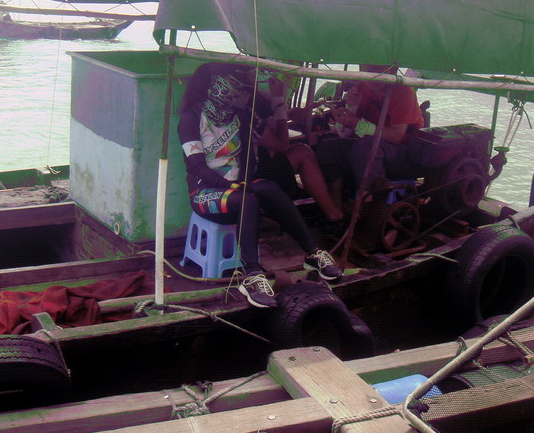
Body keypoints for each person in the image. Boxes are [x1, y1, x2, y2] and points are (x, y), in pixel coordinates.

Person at [177, 62, 342, 309]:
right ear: (215, 86)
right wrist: (229, 186)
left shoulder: (240, 117)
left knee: (268, 188)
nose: (236, 93)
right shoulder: (190, 119)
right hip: (204, 193)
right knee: (247, 198)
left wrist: (278, 105)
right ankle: (252, 274)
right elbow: (196, 166)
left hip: (235, 188)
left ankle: (312, 253)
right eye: (233, 86)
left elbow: (262, 151)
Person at [316, 65, 425, 205]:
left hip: (405, 152)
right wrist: (352, 107)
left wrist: (357, 124)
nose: (373, 76)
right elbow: (345, 134)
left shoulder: (403, 91)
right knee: (329, 147)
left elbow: (397, 135)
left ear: (391, 70)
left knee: (367, 145)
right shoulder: (362, 88)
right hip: (372, 145)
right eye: (368, 70)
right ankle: (335, 206)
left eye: (379, 70)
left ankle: (372, 204)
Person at [252, 77, 345, 230]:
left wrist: (287, 114)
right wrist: (278, 100)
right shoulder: (249, 111)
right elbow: (282, 145)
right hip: (253, 177)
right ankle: (334, 214)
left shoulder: (236, 103)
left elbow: (269, 127)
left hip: (242, 168)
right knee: (303, 151)